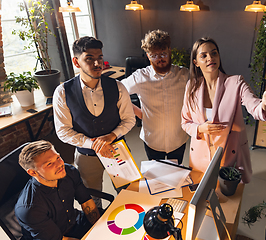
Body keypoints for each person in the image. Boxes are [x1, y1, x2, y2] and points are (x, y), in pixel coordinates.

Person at [181, 37, 266, 183]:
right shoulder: (191, 86)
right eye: (203, 55)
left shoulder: (235, 82)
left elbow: (254, 106)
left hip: (228, 152)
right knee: (202, 195)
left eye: (214, 53)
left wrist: (264, 103)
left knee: (227, 197)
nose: (210, 58)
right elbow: (185, 122)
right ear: (196, 62)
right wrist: (200, 128)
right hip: (200, 156)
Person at [53, 36, 136, 207]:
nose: (97, 64)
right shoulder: (62, 92)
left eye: (100, 58)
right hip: (86, 155)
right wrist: (93, 144)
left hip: (117, 149)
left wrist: (112, 136)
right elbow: (63, 131)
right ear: (76, 62)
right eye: (89, 59)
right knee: (91, 198)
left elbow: (129, 119)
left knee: (129, 192)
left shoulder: (118, 87)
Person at [121, 29, 189, 164]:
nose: (160, 59)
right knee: (156, 180)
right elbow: (117, 93)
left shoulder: (184, 75)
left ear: (169, 51)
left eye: (163, 53)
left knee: (175, 178)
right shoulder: (140, 77)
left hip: (178, 139)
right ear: (148, 56)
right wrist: (139, 113)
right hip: (152, 140)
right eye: (154, 55)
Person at [15, 140, 100, 240]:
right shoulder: (29, 208)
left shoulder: (68, 171)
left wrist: (100, 229)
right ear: (33, 172)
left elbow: (86, 202)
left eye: (58, 157)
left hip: (75, 222)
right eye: (49, 164)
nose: (60, 164)